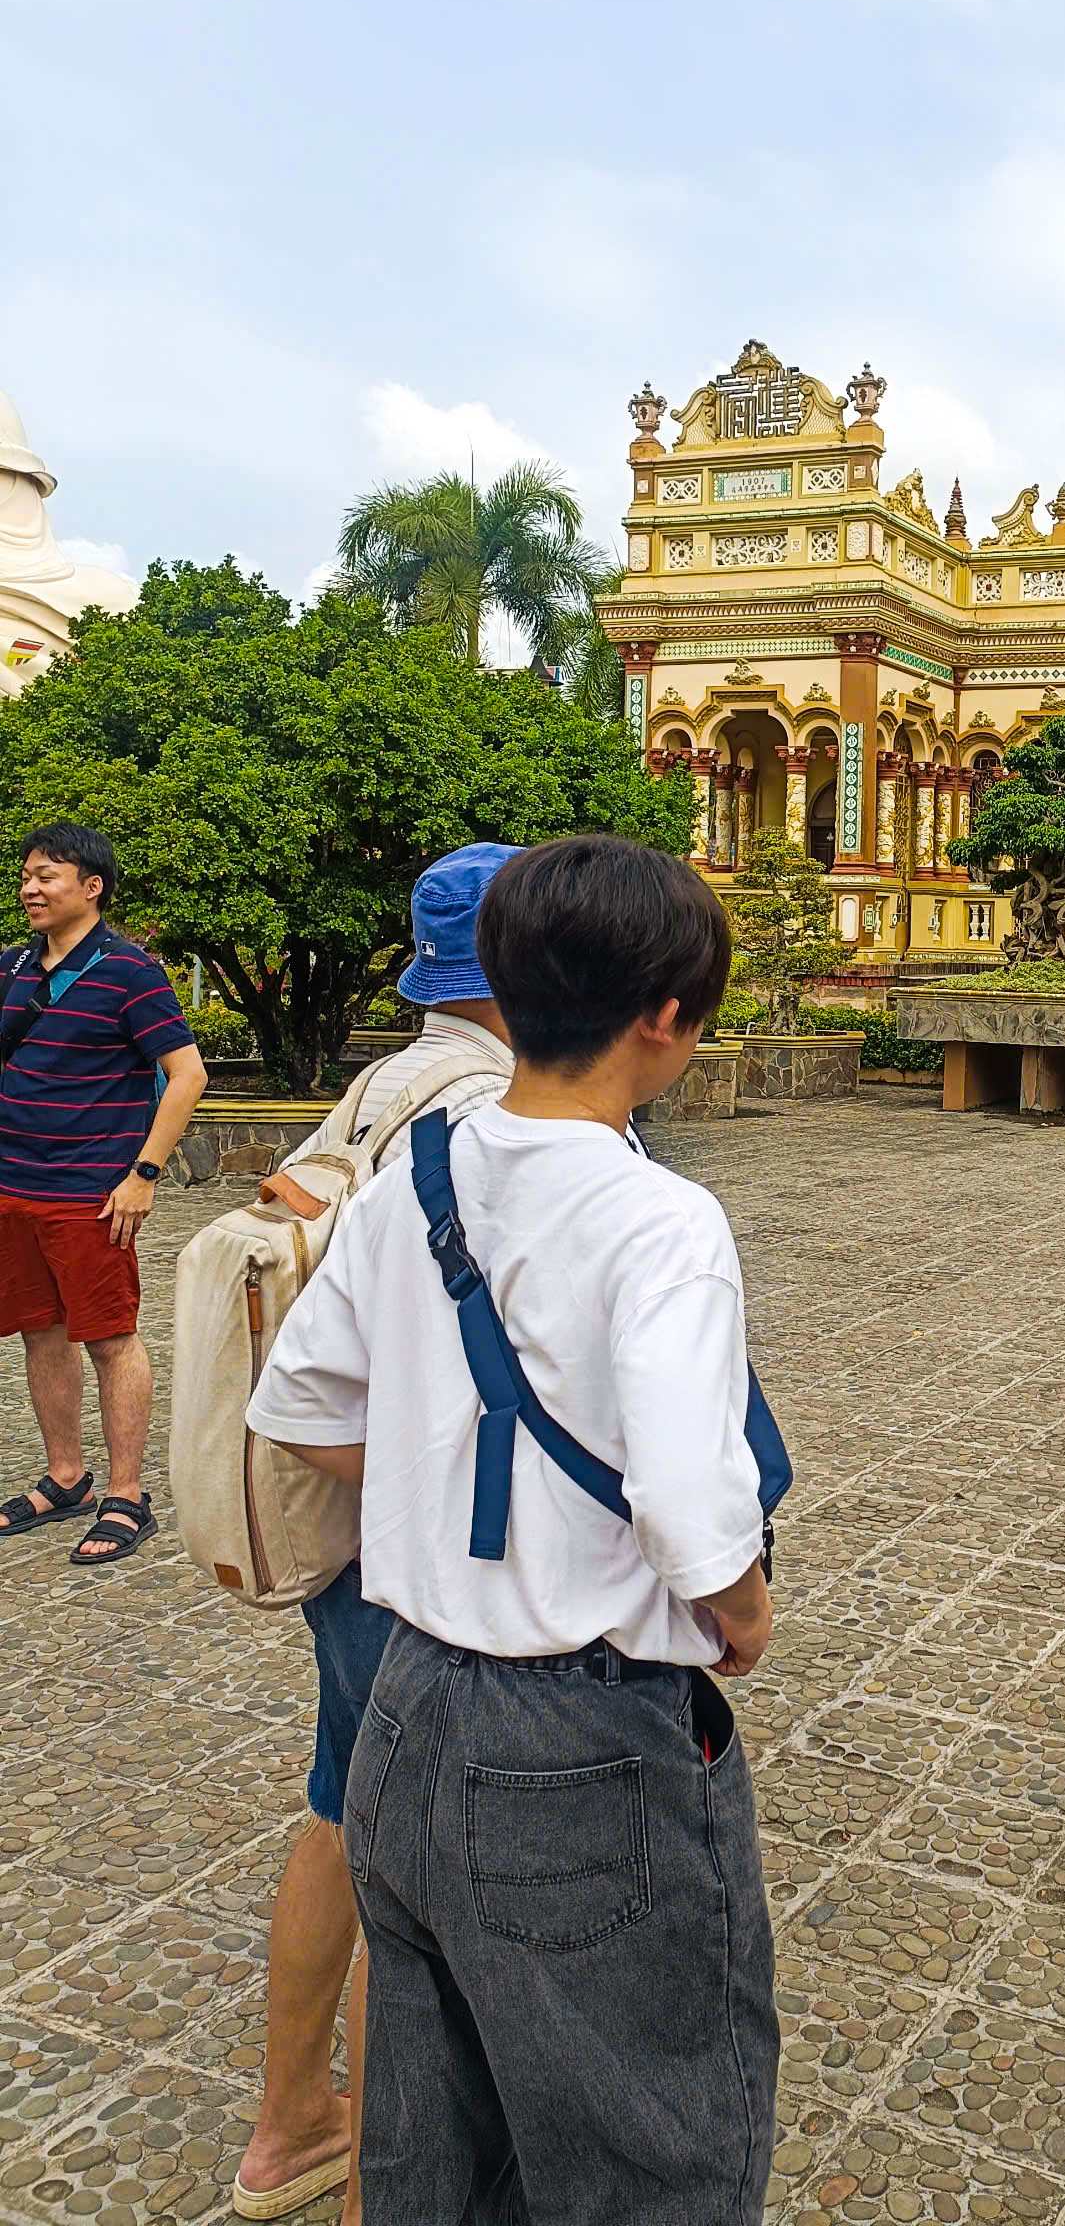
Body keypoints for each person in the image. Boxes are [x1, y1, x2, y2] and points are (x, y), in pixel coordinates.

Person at [246, 836, 778, 2226]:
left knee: (434, 2145)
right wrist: (742, 1609)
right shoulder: (660, 1216)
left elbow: (296, 1401)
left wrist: (430, 1487)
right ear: (666, 1017)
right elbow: (689, 1505)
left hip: (409, 1704)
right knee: (649, 2146)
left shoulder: (418, 1176)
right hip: (581, 1736)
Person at [234, 843, 519, 2225]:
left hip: (338, 1529)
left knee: (342, 1808)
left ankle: (291, 2120)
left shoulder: (384, 1082)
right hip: (407, 1547)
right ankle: (382, 2181)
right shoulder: (489, 1114)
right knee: (416, 1866)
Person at [0, 821, 206, 1564]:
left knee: (110, 1338)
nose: (30, 888)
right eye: (26, 875)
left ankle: (126, 1496)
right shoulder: (13, 965)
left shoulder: (130, 972)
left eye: (46, 875)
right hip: (14, 1186)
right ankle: (66, 1479)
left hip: (92, 1194)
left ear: (91, 887)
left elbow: (187, 1075)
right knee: (40, 1331)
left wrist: (143, 1174)